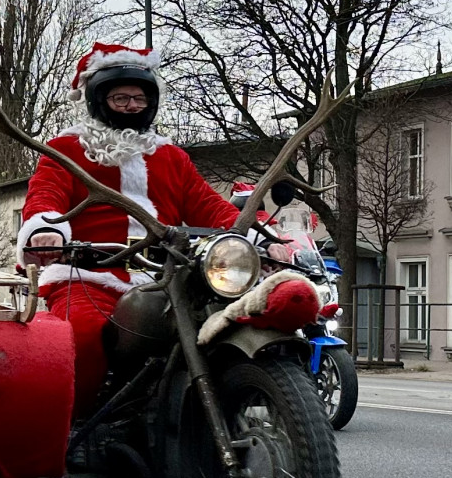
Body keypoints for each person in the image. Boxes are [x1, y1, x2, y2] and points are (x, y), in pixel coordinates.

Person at [19, 42, 290, 414]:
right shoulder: (67, 149)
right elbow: (45, 195)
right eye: (121, 98)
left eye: (140, 98)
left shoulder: (171, 156)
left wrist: (262, 239)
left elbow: (209, 205)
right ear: (99, 100)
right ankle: (72, 431)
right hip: (90, 275)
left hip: (169, 277)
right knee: (80, 335)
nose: (133, 105)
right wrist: (45, 229)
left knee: (217, 327)